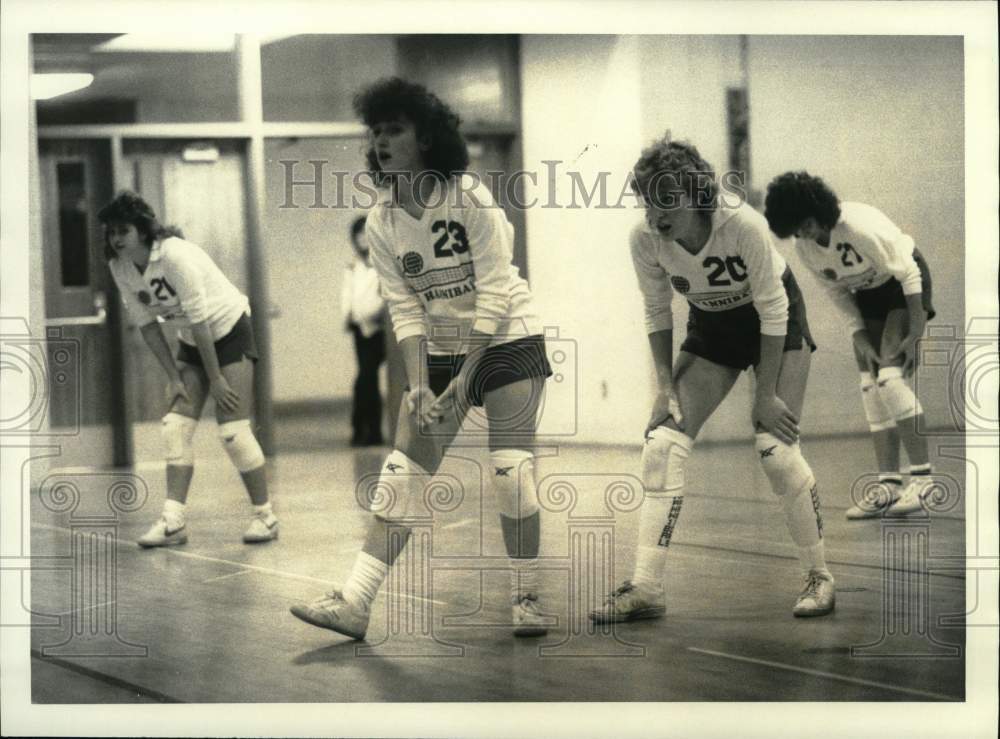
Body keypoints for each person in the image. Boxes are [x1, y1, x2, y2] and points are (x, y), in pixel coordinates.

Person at [290, 78, 552, 639]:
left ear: (426, 138)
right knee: (402, 470)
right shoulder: (382, 220)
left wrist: (466, 372)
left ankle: (526, 596)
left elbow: (498, 290)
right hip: (441, 347)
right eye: (377, 132)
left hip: (507, 340)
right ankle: (355, 603)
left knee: (511, 471)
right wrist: (417, 383)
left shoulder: (468, 197)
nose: (382, 141)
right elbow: (404, 308)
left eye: (396, 130)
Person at [590, 137, 835, 624]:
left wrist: (764, 396)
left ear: (696, 194)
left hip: (774, 323)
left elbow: (773, 307)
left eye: (668, 201)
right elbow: (657, 310)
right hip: (714, 330)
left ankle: (820, 576)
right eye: (648, 203)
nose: (657, 215)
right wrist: (664, 385)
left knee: (776, 450)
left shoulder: (742, 223)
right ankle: (647, 586)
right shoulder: (645, 240)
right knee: (661, 444)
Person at [98, 191, 278, 547]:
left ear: (143, 230)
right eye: (111, 232)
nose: (116, 239)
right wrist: (174, 377)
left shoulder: (175, 255)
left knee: (234, 432)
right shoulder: (119, 267)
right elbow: (147, 325)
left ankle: (266, 517)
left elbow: (201, 321)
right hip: (194, 340)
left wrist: (216, 380)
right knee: (175, 427)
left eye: (123, 230)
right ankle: (173, 523)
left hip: (228, 330)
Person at [764, 172, 937, 518]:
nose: (805, 234)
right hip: (868, 296)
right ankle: (889, 485)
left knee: (890, 377)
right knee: (870, 386)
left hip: (903, 286)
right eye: (797, 229)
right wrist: (858, 335)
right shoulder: (805, 246)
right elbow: (836, 291)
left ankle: (924, 480)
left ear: (820, 208)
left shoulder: (857, 226)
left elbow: (909, 273)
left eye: (808, 223)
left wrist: (916, 331)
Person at [341, 214, 387, 446]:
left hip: (381, 328)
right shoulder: (353, 266)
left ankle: (370, 430)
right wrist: (347, 315)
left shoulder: (384, 263)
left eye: (366, 235)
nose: (362, 240)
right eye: (358, 236)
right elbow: (348, 294)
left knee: (366, 379)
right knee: (365, 380)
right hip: (361, 328)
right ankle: (363, 429)